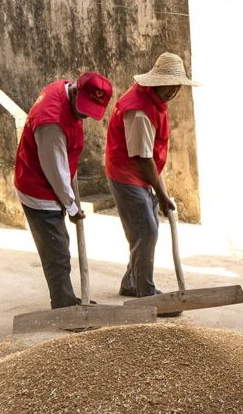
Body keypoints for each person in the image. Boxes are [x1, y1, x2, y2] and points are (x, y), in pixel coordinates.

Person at [14, 72, 113, 309]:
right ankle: (64, 306)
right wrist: (71, 206)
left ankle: (67, 298)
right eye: (83, 108)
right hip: (39, 189)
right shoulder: (51, 122)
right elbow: (54, 170)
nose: (85, 115)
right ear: (76, 90)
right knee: (56, 253)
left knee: (59, 245)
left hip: (51, 182)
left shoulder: (61, 88)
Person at [105, 52, 197, 301]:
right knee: (146, 231)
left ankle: (130, 282)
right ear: (157, 81)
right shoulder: (139, 111)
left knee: (144, 230)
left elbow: (152, 156)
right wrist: (161, 193)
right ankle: (145, 293)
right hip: (127, 175)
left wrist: (161, 191)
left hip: (142, 173)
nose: (175, 90)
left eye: (178, 85)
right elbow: (142, 158)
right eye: (170, 84)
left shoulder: (154, 101)